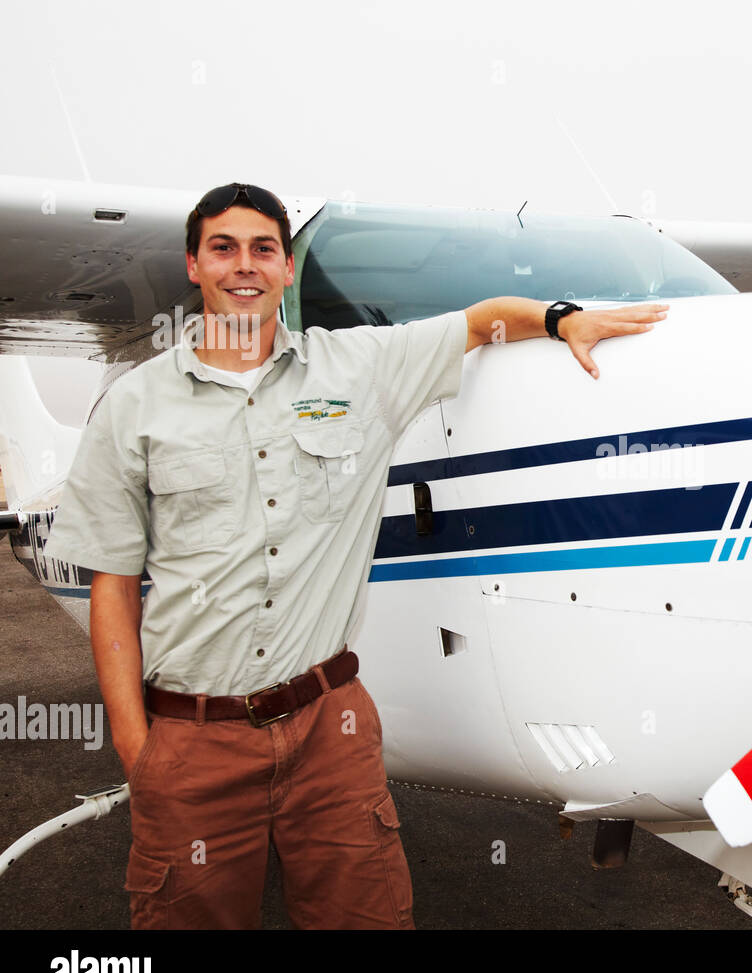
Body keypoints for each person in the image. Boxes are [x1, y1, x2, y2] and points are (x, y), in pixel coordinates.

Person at [45, 182, 667, 929]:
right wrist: (136, 745)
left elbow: (481, 322)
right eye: (224, 248)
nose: (245, 265)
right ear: (193, 265)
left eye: (263, 249)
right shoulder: (135, 406)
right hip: (194, 738)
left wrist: (563, 317)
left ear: (284, 269)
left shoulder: (361, 367)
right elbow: (113, 583)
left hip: (327, 730)